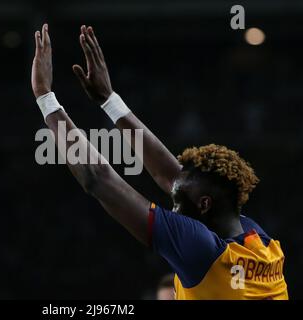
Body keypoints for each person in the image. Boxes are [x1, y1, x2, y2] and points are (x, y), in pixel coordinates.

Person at [30, 23, 288, 299]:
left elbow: (98, 179)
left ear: (204, 204)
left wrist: (45, 98)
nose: (172, 208)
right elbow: (172, 176)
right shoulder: (258, 240)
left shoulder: (203, 251)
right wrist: (109, 101)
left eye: (177, 202)